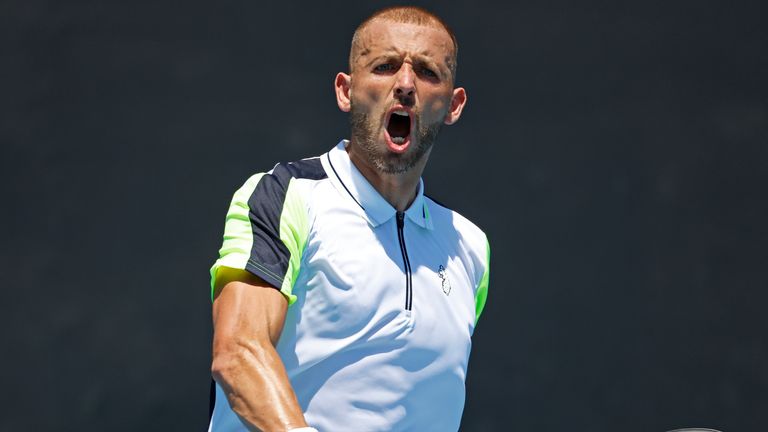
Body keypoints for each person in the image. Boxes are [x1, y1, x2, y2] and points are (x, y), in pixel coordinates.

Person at [207, 6, 490, 432]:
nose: (406, 84)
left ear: (453, 105)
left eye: (428, 72)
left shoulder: (469, 247)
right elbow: (239, 353)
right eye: (385, 66)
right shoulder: (288, 195)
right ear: (346, 90)